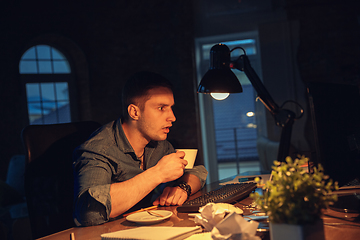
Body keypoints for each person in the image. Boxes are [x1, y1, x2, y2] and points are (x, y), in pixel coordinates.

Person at [73, 71, 208, 226]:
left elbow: (197, 172)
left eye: (171, 107)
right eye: (161, 108)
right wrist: (158, 173)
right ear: (134, 112)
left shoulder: (157, 143)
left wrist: (182, 187)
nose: (172, 117)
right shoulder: (98, 149)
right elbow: (88, 213)